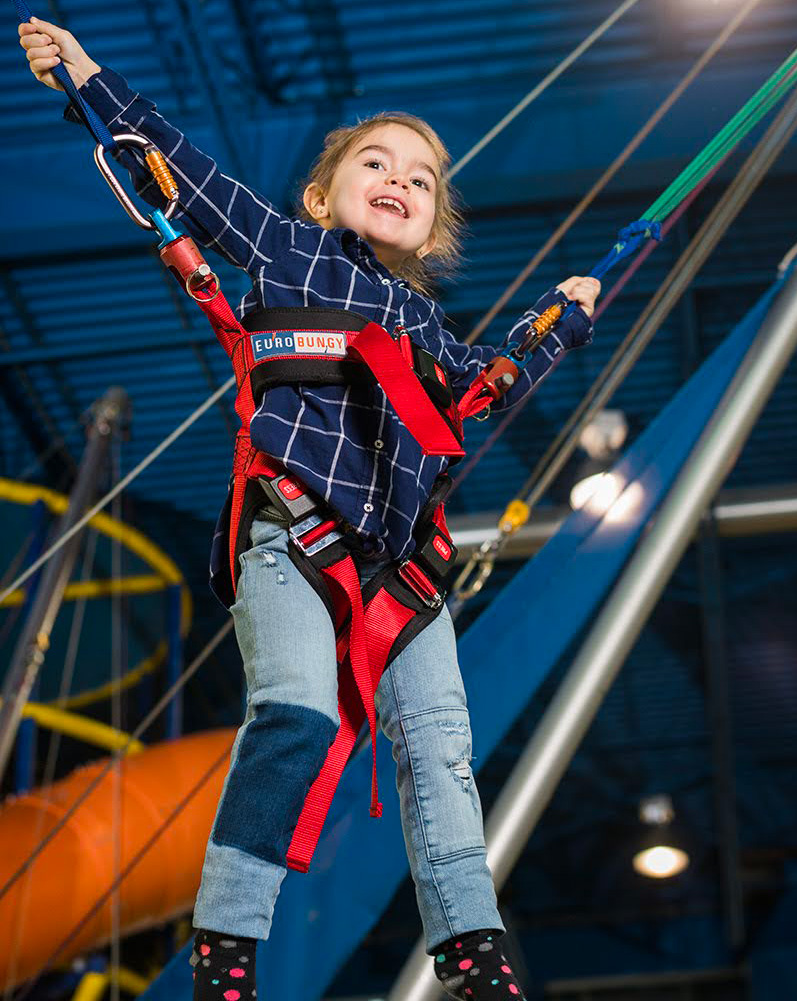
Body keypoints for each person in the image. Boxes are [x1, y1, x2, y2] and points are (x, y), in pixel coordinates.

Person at [20, 16, 601, 1001]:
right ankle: (225, 941)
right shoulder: (290, 251)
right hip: (287, 534)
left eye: (421, 180)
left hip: (396, 571)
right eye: (376, 163)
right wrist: (87, 78)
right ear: (320, 195)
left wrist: (562, 319)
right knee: (293, 709)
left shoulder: (430, 331)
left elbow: (487, 387)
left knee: (440, 748)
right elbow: (186, 173)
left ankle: (470, 947)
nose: (400, 180)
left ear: (434, 225)